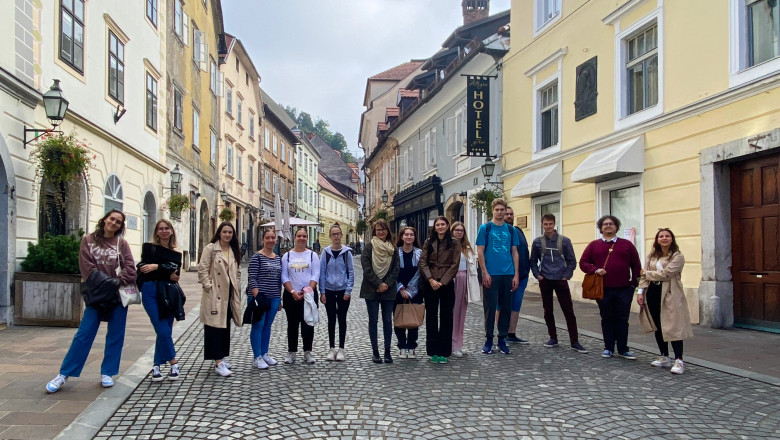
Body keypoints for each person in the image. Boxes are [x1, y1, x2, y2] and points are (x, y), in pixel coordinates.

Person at [46, 209, 136, 393]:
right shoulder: (88, 240)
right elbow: (87, 267)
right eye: (112, 219)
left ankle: (107, 373)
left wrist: (116, 282)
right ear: (104, 219)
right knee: (84, 334)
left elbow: (130, 269)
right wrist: (107, 282)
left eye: (118, 222)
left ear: (120, 226)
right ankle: (64, 374)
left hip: (118, 296)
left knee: (116, 334)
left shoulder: (122, 244)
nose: (114, 223)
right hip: (96, 294)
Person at [580, 215, 642, 360]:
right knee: (606, 318)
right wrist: (595, 269)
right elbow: (583, 263)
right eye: (605, 224)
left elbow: (636, 265)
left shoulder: (627, 245)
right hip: (603, 289)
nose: (608, 226)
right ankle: (608, 348)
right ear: (601, 228)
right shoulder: (593, 245)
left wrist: (633, 284)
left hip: (624, 289)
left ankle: (623, 349)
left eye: (611, 224)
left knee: (622, 319)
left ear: (616, 227)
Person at [529, 214, 587, 353]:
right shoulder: (538, 242)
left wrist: (567, 275)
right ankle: (553, 337)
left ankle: (574, 341)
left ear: (554, 224)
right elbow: (533, 261)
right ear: (542, 225)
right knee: (547, 310)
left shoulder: (564, 241)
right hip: (545, 279)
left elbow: (572, 260)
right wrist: (537, 275)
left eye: (550, 224)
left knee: (568, 310)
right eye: (545, 224)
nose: (548, 226)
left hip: (560, 279)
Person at [637, 228, 693, 374]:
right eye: (661, 236)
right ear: (657, 239)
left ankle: (679, 360)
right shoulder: (651, 256)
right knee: (658, 325)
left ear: (672, 239)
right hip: (653, 292)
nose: (664, 238)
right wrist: (641, 291)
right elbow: (642, 277)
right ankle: (664, 356)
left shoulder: (677, 256)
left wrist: (647, 273)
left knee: (673, 326)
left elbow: (667, 274)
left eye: (667, 236)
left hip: (670, 294)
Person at [137, 219, 184, 381]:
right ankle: (173, 363)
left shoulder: (177, 254)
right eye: (161, 229)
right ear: (157, 232)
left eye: (167, 228)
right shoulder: (148, 247)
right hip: (150, 290)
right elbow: (143, 267)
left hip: (169, 292)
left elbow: (176, 275)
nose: (164, 231)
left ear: (171, 231)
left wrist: (157, 267)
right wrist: (166, 268)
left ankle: (156, 366)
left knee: (164, 330)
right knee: (161, 328)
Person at [476, 199, 521, 355]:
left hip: (507, 274)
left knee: (506, 308)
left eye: (503, 209)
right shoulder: (485, 228)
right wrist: (484, 272)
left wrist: (515, 274)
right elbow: (480, 251)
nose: (500, 212)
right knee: (489, 309)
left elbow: (515, 252)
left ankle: (502, 338)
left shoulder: (511, 230)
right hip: (491, 274)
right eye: (498, 209)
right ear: (493, 210)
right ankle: (489, 339)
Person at [198, 222, 243, 377]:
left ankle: (221, 358)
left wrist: (237, 285)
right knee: (214, 328)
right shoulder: (211, 248)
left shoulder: (233, 250)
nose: (227, 235)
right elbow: (202, 268)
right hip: (215, 293)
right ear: (219, 233)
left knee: (224, 327)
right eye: (225, 232)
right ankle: (218, 363)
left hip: (229, 294)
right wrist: (208, 286)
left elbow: (237, 271)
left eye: (230, 232)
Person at [419, 216, 461, 364]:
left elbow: (455, 264)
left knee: (446, 317)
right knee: (431, 317)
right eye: (438, 225)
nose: (441, 227)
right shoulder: (429, 241)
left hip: (446, 283)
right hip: (430, 283)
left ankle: (444, 351)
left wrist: (442, 282)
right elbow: (423, 262)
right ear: (435, 227)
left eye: (443, 224)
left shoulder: (454, 242)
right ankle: (432, 351)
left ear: (448, 225)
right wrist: (430, 279)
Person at [360, 219, 400, 364]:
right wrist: (378, 283)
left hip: (388, 291)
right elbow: (366, 268)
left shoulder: (393, 248)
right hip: (371, 289)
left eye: (383, 229)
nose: (381, 232)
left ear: (387, 231)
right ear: (374, 231)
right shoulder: (369, 247)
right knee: (373, 321)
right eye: (378, 230)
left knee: (388, 321)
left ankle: (387, 352)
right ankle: (375, 352)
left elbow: (396, 269)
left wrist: (386, 285)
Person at [281, 227, 321, 365]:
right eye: (299, 236)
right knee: (292, 324)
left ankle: (307, 351)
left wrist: (308, 290)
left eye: (304, 236)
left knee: (308, 324)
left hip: (308, 295)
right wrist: (292, 291)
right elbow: (284, 275)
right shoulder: (287, 256)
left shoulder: (312, 255)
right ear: (294, 237)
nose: (302, 238)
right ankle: (292, 352)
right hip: (291, 295)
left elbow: (316, 274)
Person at [246, 229, 283, 370]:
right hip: (259, 297)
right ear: (263, 240)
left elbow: (278, 280)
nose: (270, 240)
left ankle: (265, 353)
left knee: (267, 325)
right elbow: (252, 278)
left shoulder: (278, 258)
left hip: (273, 297)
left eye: (273, 237)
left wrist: (279, 298)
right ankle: (257, 356)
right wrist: (257, 296)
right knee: (258, 325)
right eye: (268, 237)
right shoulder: (257, 257)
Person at [319, 224, 355, 361]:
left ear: (341, 235)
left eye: (338, 234)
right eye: (333, 234)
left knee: (342, 319)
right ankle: (331, 348)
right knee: (331, 319)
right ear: (330, 236)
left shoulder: (347, 253)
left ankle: (341, 349)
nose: (336, 236)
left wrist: (348, 290)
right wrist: (322, 291)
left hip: (342, 290)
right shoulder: (325, 253)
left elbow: (351, 273)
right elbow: (322, 272)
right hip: (328, 290)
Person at [450, 221, 480, 358]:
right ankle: (451, 344)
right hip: (453, 279)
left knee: (462, 313)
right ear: (452, 231)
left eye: (461, 230)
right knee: (453, 313)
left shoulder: (467, 248)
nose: (459, 232)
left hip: (465, 280)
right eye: (456, 230)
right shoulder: (449, 246)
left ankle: (459, 344)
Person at [503, 207, 531, 344]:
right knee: (501, 306)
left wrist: (527, 270)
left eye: (511, 214)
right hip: (505, 276)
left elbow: (524, 251)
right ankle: (501, 334)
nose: (509, 216)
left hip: (522, 276)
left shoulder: (518, 231)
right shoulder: (499, 232)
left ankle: (511, 333)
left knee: (516, 306)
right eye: (506, 214)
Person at [394, 226, 422, 359]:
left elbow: (420, 273)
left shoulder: (419, 253)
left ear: (414, 237)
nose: (409, 237)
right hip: (398, 291)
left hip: (415, 291)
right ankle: (402, 346)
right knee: (399, 319)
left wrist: (410, 291)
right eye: (406, 234)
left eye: (411, 235)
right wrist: (401, 288)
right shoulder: (395, 253)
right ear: (402, 237)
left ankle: (411, 346)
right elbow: (393, 272)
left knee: (413, 320)